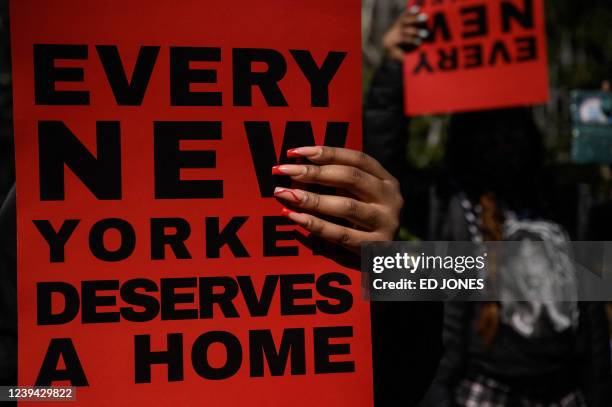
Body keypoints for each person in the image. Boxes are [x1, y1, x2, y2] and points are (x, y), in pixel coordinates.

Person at [0, 145, 443, 406]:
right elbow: (14, 388)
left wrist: (392, 262)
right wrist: (78, 390)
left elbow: (402, 380)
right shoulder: (47, 197)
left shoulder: (316, 177)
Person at [364, 8, 612, 407]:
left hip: (568, 394)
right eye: (486, 133)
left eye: (511, 130)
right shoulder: (446, 206)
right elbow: (383, 166)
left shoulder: (569, 206)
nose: (502, 144)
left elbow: (596, 314)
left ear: (529, 136)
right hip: (478, 393)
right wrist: (394, 68)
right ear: (465, 142)